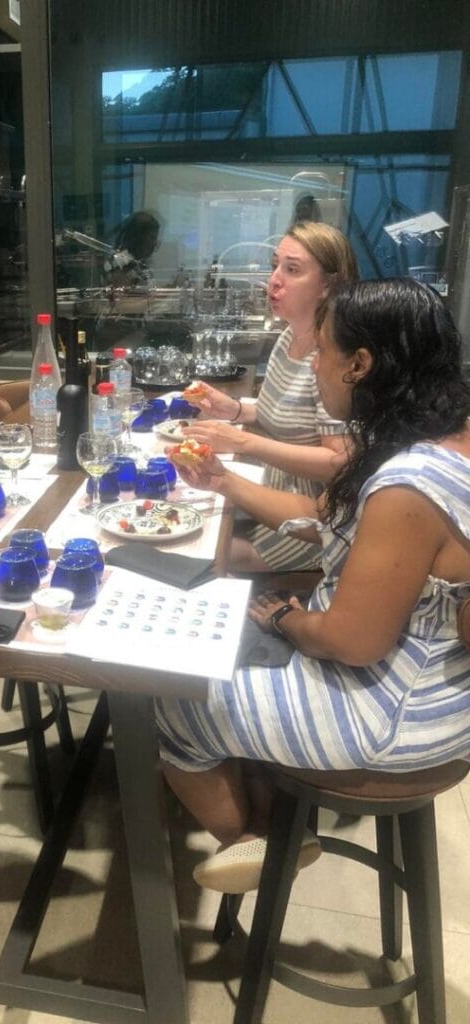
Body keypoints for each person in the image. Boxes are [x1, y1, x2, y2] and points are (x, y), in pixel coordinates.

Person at [156, 278, 470, 894]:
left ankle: (257, 844)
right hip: (440, 687)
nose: (315, 365)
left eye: (323, 352)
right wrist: (223, 483)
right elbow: (325, 522)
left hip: (398, 715)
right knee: (229, 641)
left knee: (174, 698)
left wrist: (282, 619)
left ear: (361, 363)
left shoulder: (410, 482)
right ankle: (272, 818)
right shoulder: (433, 436)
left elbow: (352, 643)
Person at [182, 221, 358, 572]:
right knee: (175, 506)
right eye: (275, 265)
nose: (274, 279)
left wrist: (241, 443)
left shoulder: (329, 361)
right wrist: (232, 409)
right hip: (266, 486)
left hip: (309, 515)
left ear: (328, 284)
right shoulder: (288, 337)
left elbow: (339, 462)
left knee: (193, 552)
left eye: (292, 270)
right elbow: (284, 414)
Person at [104, 211, 161, 288]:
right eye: (152, 237)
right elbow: (124, 297)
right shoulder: (120, 264)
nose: (155, 243)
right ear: (139, 238)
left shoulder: (137, 263)